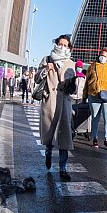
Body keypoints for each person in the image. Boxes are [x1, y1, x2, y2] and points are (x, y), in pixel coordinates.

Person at [37, 35, 77, 181]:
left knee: (64, 136)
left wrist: (73, 82)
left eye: (66, 45)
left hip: (64, 102)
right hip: (50, 102)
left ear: (69, 48)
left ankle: (63, 168)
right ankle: (48, 154)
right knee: (49, 133)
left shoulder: (70, 63)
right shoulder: (47, 59)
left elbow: (73, 89)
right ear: (56, 44)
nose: (62, 47)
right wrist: (45, 70)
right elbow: (36, 78)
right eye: (60, 44)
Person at [86, 49, 107, 150]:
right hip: (94, 95)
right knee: (95, 118)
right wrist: (85, 95)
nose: (102, 57)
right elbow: (87, 81)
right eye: (101, 55)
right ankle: (95, 139)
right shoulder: (92, 66)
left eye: (105, 56)